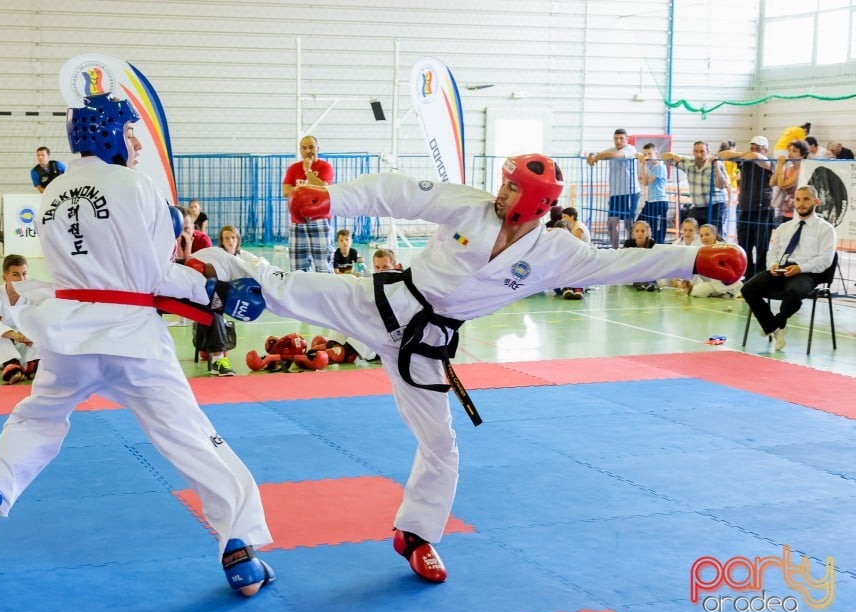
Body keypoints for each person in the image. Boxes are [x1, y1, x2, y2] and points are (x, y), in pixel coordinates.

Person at [188, 153, 746, 584]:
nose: (501, 192)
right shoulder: (469, 205)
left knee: (442, 445)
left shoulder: (555, 252)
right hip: (381, 303)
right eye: (503, 182)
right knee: (288, 289)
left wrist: (692, 257)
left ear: (533, 203)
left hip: (425, 347)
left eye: (511, 187)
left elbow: (618, 263)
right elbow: (397, 190)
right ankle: (199, 269)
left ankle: (417, 534)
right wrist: (330, 199)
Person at [0, 93, 275, 598]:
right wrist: (212, 290)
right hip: (130, 337)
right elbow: (153, 275)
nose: (137, 143)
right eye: (129, 132)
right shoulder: (132, 185)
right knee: (188, 434)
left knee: (38, 417)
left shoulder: (52, 191)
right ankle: (240, 548)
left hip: (68, 334)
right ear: (107, 133)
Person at [742, 185, 836, 351]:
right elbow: (773, 252)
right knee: (748, 288)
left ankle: (776, 323)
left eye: (806, 199)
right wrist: (773, 265)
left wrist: (800, 268)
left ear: (816, 201)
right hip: (781, 270)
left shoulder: (826, 229)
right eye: (798, 199)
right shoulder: (784, 228)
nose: (801, 204)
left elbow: (825, 260)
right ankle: (774, 326)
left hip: (807, 273)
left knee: (793, 292)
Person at [0, 254, 41, 384]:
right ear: (5, 277)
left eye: (24, 274)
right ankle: (11, 365)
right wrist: (16, 336)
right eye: (16, 275)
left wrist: (30, 335)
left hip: (25, 345)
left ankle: (32, 364)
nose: (21, 279)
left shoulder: (34, 297)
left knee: (40, 331)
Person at [720, 135, 775, 278]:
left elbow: (759, 158)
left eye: (758, 148)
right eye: (752, 147)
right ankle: (748, 276)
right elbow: (722, 155)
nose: (754, 151)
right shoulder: (745, 160)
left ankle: (761, 276)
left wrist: (751, 155)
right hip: (744, 209)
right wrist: (744, 155)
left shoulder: (769, 161)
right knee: (744, 246)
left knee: (762, 247)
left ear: (765, 150)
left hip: (763, 209)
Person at [283, 135, 335, 272]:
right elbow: (285, 190)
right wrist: (308, 192)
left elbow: (323, 189)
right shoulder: (293, 169)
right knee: (297, 266)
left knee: (323, 264)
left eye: (311, 147)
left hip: (320, 219)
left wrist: (308, 171)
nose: (308, 151)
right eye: (304, 148)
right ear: (300, 150)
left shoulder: (325, 167)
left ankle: (326, 292)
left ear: (318, 148)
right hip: (297, 221)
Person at [587, 129, 639, 249]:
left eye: (621, 138)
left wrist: (598, 156)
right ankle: (615, 250)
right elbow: (598, 153)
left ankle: (631, 249)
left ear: (627, 139)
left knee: (628, 224)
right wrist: (592, 156)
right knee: (611, 224)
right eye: (616, 138)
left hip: (629, 192)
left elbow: (614, 155)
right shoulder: (611, 149)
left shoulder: (630, 149)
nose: (618, 141)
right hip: (615, 194)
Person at [661, 141, 728, 227]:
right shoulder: (689, 163)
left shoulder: (716, 163)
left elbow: (722, 186)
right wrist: (674, 155)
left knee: (714, 235)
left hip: (716, 206)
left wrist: (716, 168)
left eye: (702, 151)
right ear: (693, 152)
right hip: (698, 206)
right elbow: (664, 157)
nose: (699, 154)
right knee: (691, 229)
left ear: (707, 152)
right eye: (696, 151)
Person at [689, 224, 743, 298]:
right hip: (711, 284)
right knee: (695, 292)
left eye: (707, 235)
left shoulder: (724, 248)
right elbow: (695, 271)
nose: (704, 238)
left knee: (697, 291)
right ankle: (724, 293)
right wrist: (689, 283)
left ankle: (735, 292)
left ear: (714, 235)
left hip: (728, 283)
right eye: (701, 236)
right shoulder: (700, 251)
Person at [636, 143, 669, 244]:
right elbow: (645, 181)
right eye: (645, 154)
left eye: (649, 154)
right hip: (650, 201)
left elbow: (645, 182)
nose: (647, 157)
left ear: (656, 154)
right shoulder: (653, 168)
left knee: (656, 230)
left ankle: (658, 248)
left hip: (659, 202)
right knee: (639, 223)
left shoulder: (660, 167)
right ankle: (644, 245)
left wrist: (642, 164)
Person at [771, 139, 809, 224]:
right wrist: (779, 166)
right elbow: (772, 182)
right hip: (785, 211)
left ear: (802, 155)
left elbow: (782, 185)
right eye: (789, 151)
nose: (790, 153)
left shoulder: (801, 170)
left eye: (794, 151)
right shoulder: (787, 169)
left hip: (798, 212)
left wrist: (780, 165)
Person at [623, 220, 658, 292]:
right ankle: (639, 283)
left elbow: (655, 261)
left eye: (643, 231)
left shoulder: (652, 244)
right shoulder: (628, 244)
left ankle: (650, 284)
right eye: (637, 231)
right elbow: (626, 260)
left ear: (647, 233)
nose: (640, 233)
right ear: (633, 233)